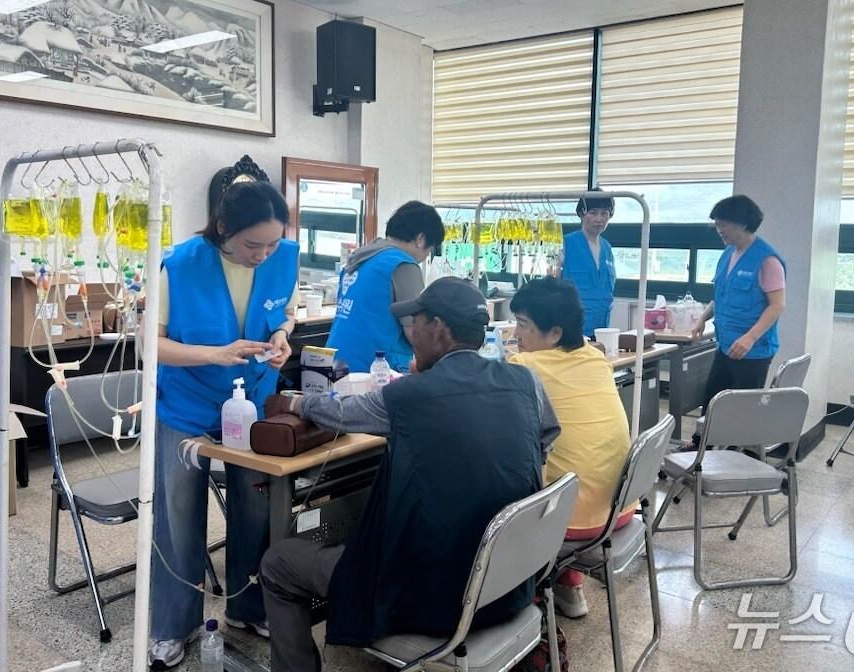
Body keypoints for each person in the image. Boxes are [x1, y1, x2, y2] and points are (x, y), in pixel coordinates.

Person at [259, 277, 560, 672]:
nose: (409, 334)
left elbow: (341, 413)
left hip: (434, 598)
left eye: (414, 323)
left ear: (438, 328)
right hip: (511, 586)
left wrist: (298, 402)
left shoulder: (407, 397)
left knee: (279, 562)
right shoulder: (525, 382)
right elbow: (546, 436)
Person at [148, 172, 299, 669]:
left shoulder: (283, 257)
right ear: (221, 228)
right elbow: (152, 344)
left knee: (256, 513)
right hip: (186, 407)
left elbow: (286, 314)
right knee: (178, 518)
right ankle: (172, 625)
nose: (262, 254)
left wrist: (280, 338)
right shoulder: (180, 264)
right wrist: (214, 354)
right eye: (252, 244)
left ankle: (248, 607)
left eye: (272, 244)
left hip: (252, 404)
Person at [508, 277, 633, 619]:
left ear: (554, 333)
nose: (515, 335)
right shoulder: (596, 359)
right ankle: (569, 585)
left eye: (522, 325)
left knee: (500, 481)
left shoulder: (526, 367)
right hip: (619, 508)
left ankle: (520, 599)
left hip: (571, 521)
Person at [326, 200, 445, 374]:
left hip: (336, 361)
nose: (426, 256)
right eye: (429, 250)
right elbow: (416, 333)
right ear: (420, 239)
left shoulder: (360, 259)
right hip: (375, 368)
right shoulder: (404, 265)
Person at [693, 194, 786, 407]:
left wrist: (749, 338)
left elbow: (777, 305)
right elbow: (723, 294)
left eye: (723, 225)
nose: (719, 230)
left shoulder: (767, 260)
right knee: (712, 403)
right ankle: (701, 441)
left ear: (742, 223)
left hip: (752, 351)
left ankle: (734, 443)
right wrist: (703, 318)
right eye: (717, 225)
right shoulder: (728, 254)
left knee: (740, 411)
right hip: (725, 344)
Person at [562, 190, 616, 338]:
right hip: (571, 328)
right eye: (593, 212)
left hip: (601, 328)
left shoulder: (607, 248)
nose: (599, 219)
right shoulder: (566, 243)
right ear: (581, 213)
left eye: (604, 213)